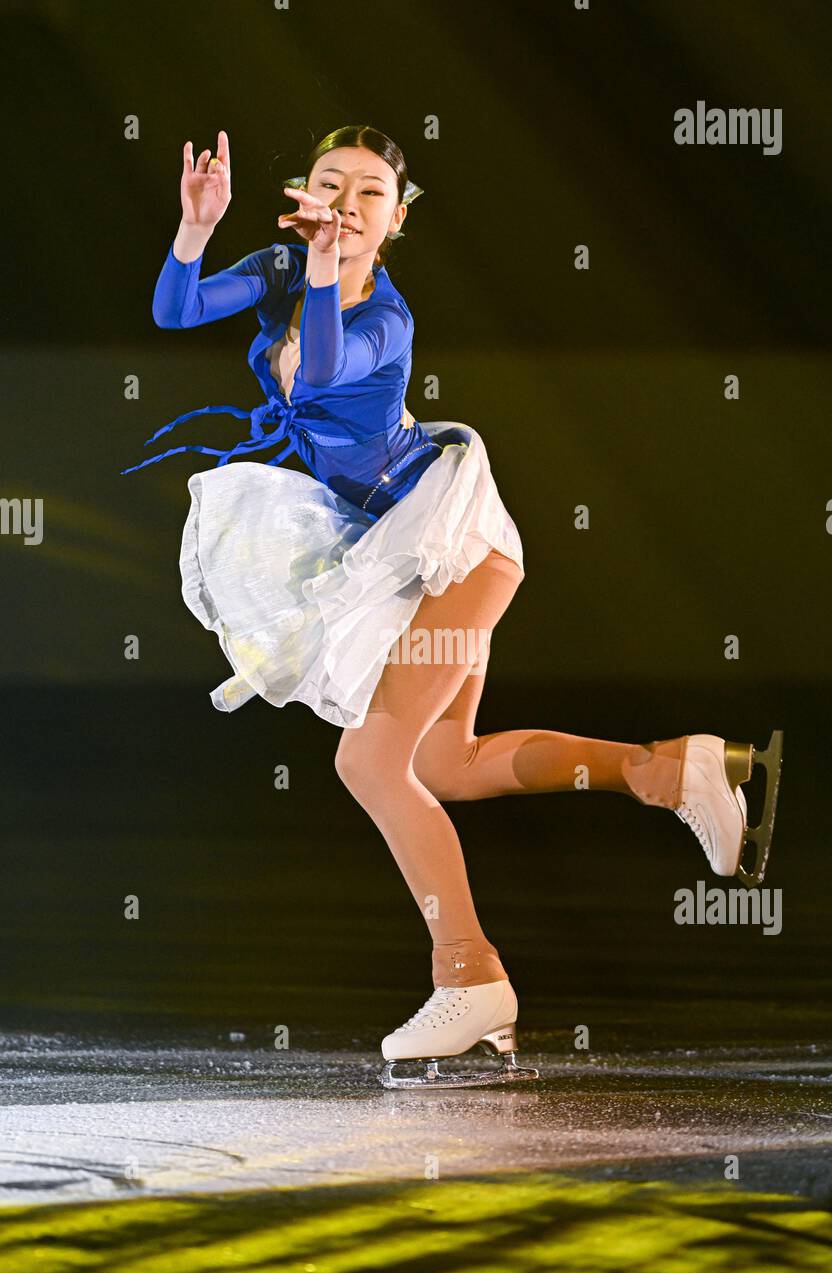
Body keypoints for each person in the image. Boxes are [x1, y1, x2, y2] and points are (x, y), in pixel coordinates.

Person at [124, 125, 783, 1089]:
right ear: (303, 192)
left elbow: (319, 373)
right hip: (392, 546)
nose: (344, 203)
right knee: (446, 762)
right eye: (328, 183)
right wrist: (195, 229)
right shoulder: (279, 265)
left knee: (370, 758)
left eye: (369, 195)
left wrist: (317, 269)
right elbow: (175, 307)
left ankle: (469, 976)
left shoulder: (386, 316)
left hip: (451, 537)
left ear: (395, 220)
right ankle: (668, 772)